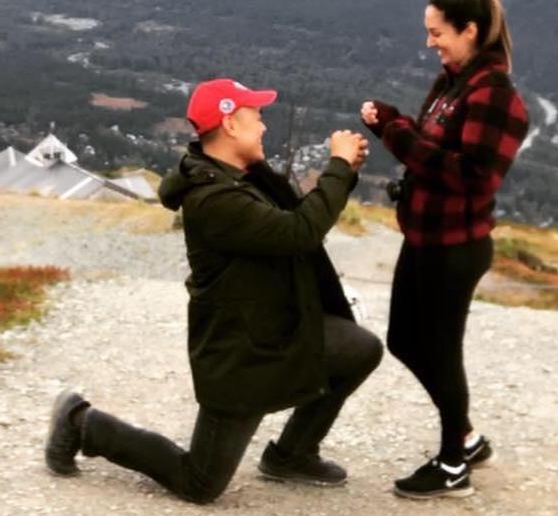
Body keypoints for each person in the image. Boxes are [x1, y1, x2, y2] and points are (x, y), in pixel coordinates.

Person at [44, 77, 382, 503]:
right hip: (241, 353)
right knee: (200, 484)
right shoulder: (212, 199)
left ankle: (292, 454)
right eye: (257, 117)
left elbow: (298, 215)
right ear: (231, 126)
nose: (263, 127)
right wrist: (337, 165)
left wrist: (344, 173)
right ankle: (82, 422)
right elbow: (300, 232)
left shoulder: (245, 176)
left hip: (275, 332)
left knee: (360, 349)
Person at [361, 0, 529, 500]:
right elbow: (432, 145)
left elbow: (472, 174)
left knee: (440, 348)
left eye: (437, 32)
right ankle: (467, 438)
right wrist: (392, 122)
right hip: (425, 236)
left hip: (457, 246)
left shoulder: (495, 94)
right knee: (404, 340)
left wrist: (395, 133)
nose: (430, 42)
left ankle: (453, 461)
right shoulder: (454, 81)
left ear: (469, 30)